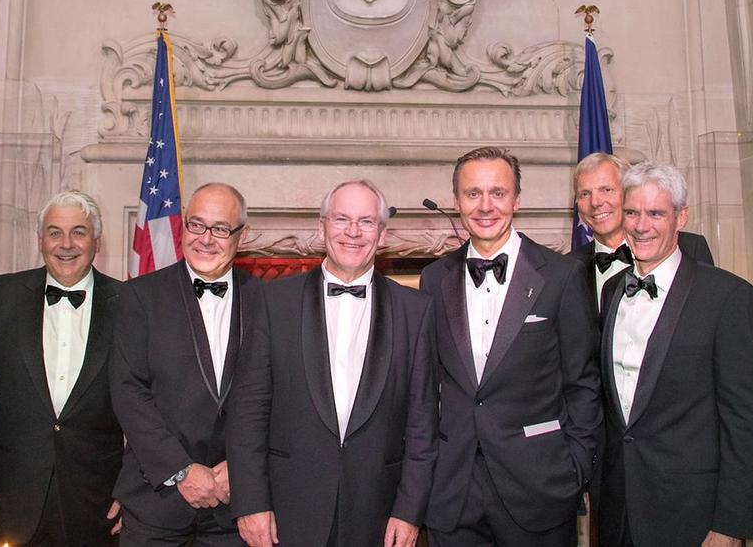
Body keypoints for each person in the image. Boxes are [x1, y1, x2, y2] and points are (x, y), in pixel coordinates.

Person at [228, 179, 438, 547]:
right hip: (286, 512)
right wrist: (251, 503)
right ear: (320, 226)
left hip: (379, 513)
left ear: (383, 233)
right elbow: (248, 412)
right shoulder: (274, 302)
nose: (353, 232)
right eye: (341, 219)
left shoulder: (416, 311)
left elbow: (422, 424)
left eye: (367, 222)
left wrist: (409, 510)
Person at [421, 147, 601, 546]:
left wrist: (575, 470)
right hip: (453, 494)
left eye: (498, 193)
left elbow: (582, 384)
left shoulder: (562, 275)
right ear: (457, 200)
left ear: (517, 199)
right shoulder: (434, 279)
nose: (485, 206)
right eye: (473, 194)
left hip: (540, 490)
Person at [596, 162, 753, 547]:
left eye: (656, 213)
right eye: (633, 213)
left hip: (693, 516)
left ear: (681, 217)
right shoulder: (611, 293)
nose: (641, 226)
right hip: (618, 512)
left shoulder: (728, 297)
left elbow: (744, 422)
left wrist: (729, 525)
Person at [110, 183, 262, 546]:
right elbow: (128, 392)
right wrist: (181, 471)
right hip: (157, 502)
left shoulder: (268, 301)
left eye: (220, 228)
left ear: (242, 235)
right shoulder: (139, 296)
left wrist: (240, 469)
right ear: (182, 228)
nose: (206, 239)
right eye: (196, 225)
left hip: (236, 507)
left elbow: (279, 395)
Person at [0, 191, 124, 545]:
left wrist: (134, 488)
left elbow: (149, 404)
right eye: (54, 232)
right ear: (39, 240)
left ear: (97, 241)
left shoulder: (130, 305)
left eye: (78, 232)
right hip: (12, 500)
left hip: (98, 505)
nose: (66, 244)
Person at [569, 152, 713, 310]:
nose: (595, 202)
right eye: (584, 194)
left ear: (629, 193)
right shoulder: (568, 268)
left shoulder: (691, 247)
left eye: (606, 190)